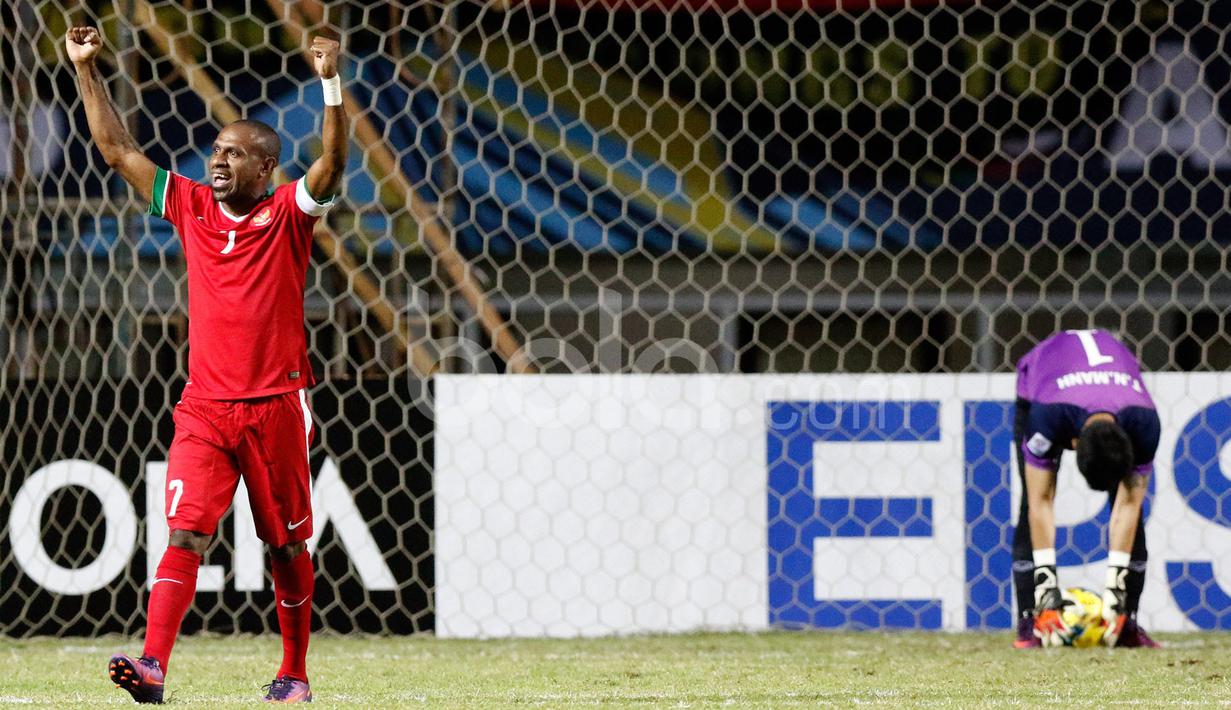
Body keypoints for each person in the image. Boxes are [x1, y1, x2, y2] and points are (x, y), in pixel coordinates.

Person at [66, 25, 347, 703]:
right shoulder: (191, 206)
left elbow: (332, 165)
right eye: (217, 151)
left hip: (276, 406)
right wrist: (85, 69)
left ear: (264, 169)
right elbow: (115, 148)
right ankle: (154, 666)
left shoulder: (287, 213)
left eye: (235, 155)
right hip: (204, 408)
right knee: (185, 530)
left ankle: (294, 673)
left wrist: (329, 83)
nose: (217, 162)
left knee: (284, 549)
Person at [1011, 329, 1160, 649]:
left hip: (1109, 389)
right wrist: (1047, 591)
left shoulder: (1145, 424)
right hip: (1043, 381)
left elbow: (1129, 503)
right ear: (1073, 444)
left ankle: (1126, 622)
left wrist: (1115, 594)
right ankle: (1032, 622)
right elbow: (1041, 500)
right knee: (1029, 498)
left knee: (1136, 514)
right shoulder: (1046, 417)